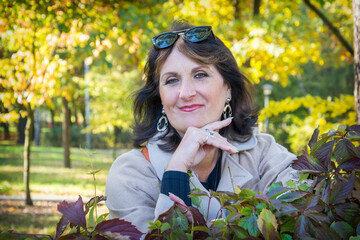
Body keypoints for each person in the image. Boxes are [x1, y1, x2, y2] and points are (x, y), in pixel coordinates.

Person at [105, 20, 298, 235]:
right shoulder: (130, 175)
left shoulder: (262, 152)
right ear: (159, 98)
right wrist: (176, 171)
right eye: (171, 81)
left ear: (228, 89)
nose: (185, 93)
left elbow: (307, 211)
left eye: (200, 75)